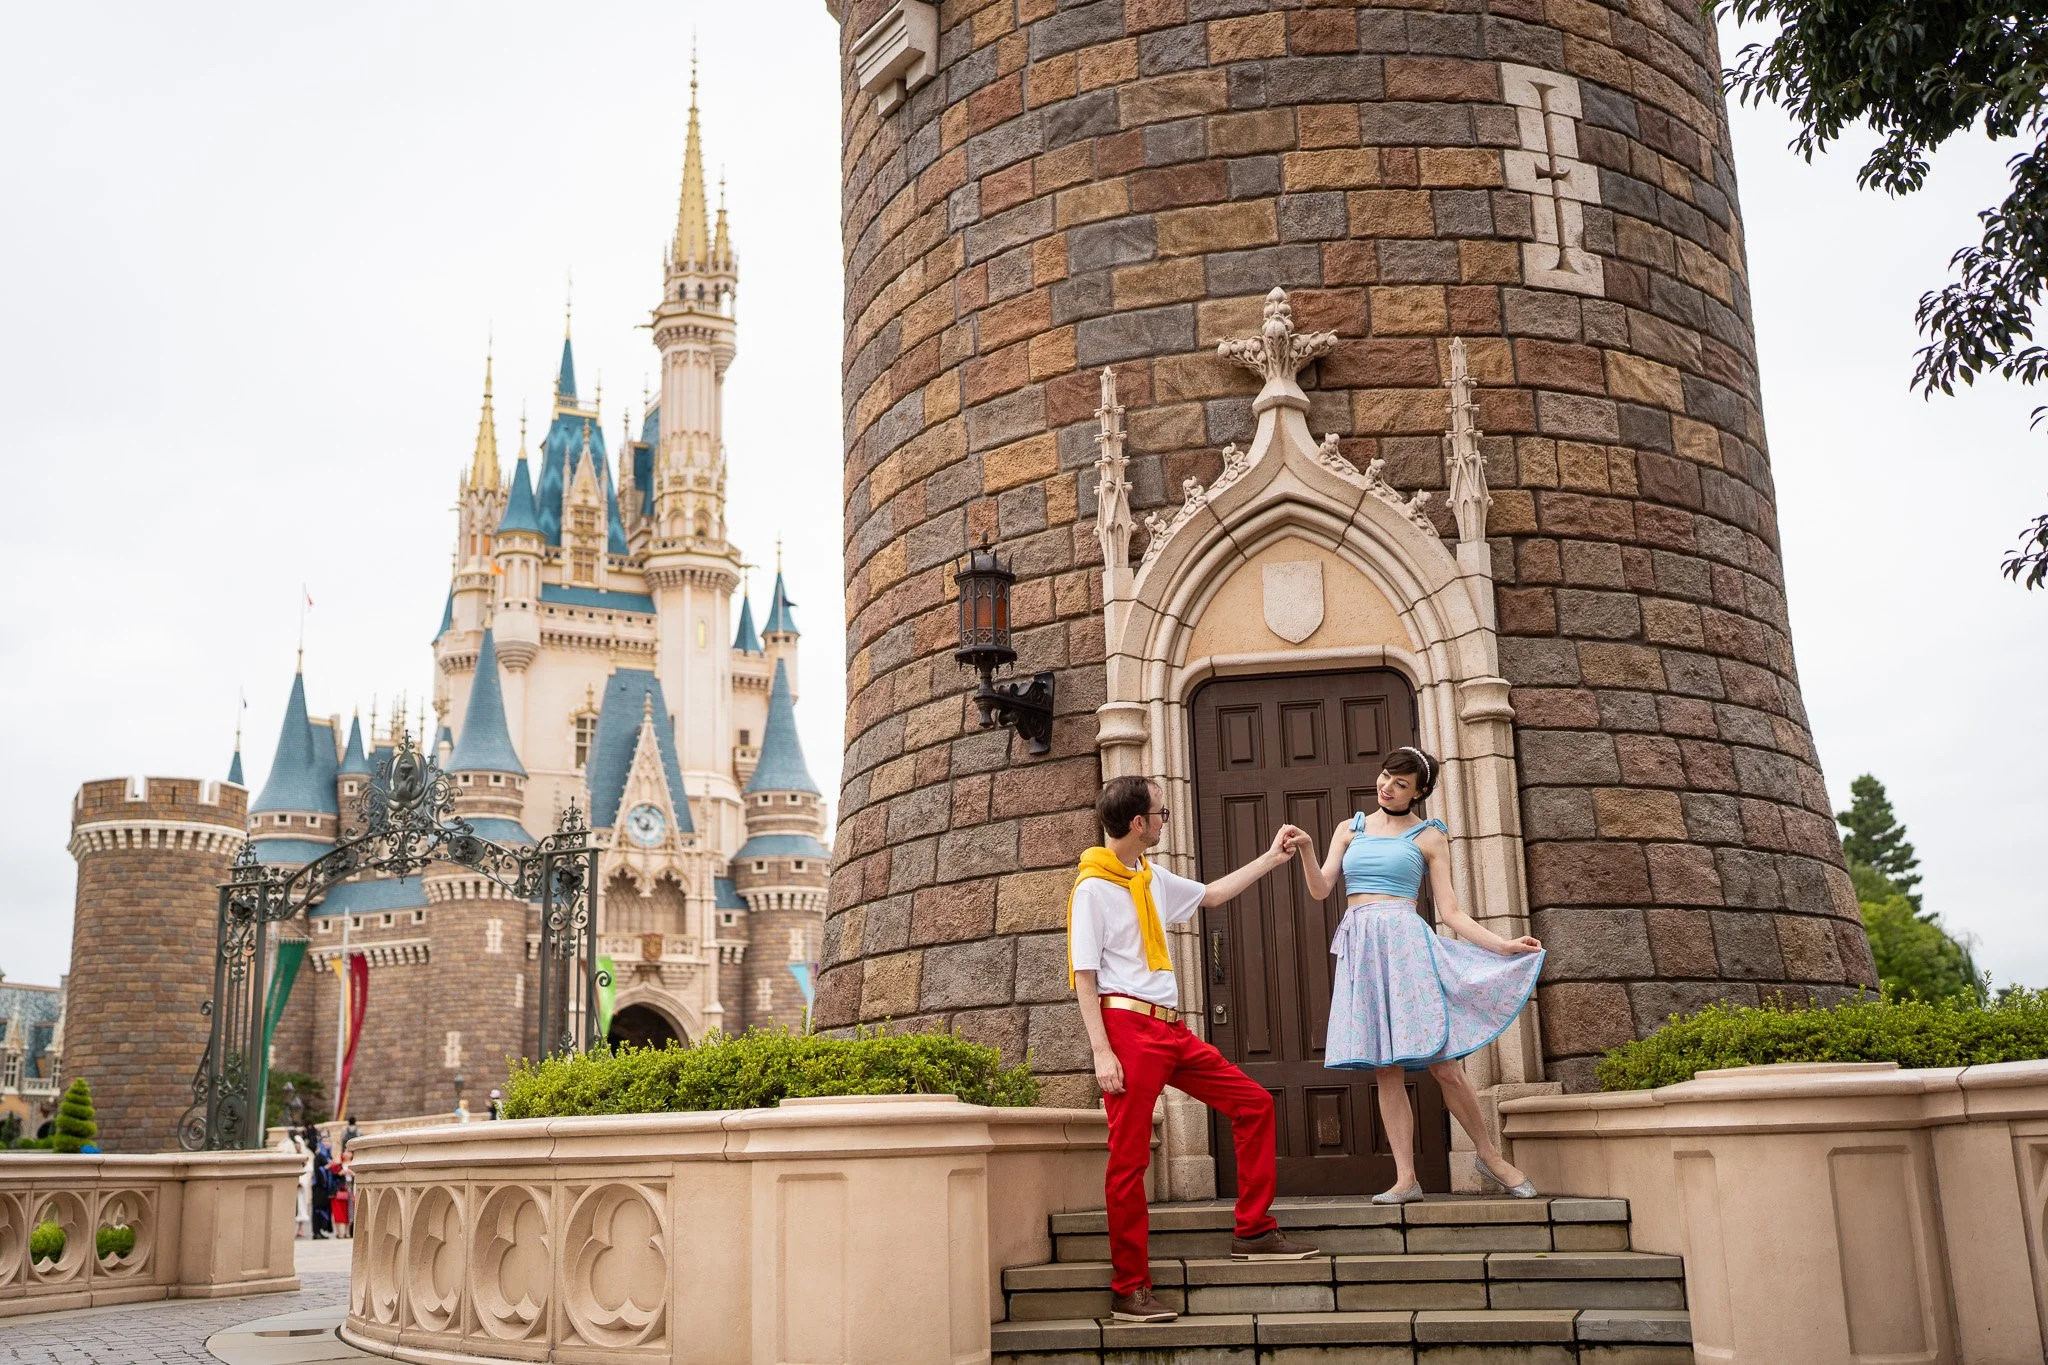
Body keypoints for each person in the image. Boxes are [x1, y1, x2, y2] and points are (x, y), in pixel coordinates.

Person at [1069, 775, 1321, 1325]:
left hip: (1172, 1031)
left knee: (1254, 1103)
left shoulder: (1149, 876)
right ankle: (1129, 1290)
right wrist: (1101, 1052)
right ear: (1139, 823)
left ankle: (1252, 1231)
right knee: (1129, 1161)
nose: (1165, 820)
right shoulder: (1093, 887)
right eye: (1161, 813)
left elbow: (1211, 894)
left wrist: (1271, 859)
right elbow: (1084, 976)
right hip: (1127, 1030)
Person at [1295, 746, 1545, 1204]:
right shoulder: (1348, 830)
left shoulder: (1429, 837)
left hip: (1408, 949)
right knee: (1386, 1070)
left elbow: (1450, 912)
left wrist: (1504, 944)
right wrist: (1309, 850)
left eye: (1401, 783)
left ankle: (1490, 1156)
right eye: (1386, 776)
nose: (1387, 786)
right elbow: (1319, 889)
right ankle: (1406, 1179)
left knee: (1444, 1065)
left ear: (1420, 792)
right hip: (1362, 952)